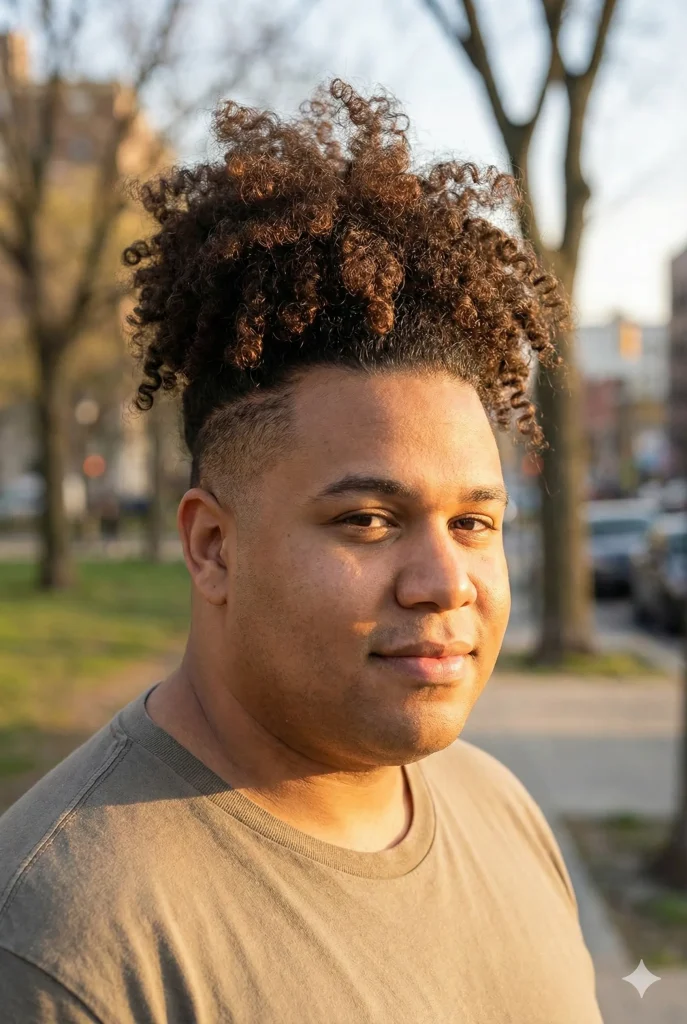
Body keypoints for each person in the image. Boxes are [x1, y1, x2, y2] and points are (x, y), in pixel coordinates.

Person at [0, 81, 604, 1023]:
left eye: (473, 523)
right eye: (366, 520)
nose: (444, 582)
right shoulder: (64, 946)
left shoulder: (502, 810)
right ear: (212, 547)